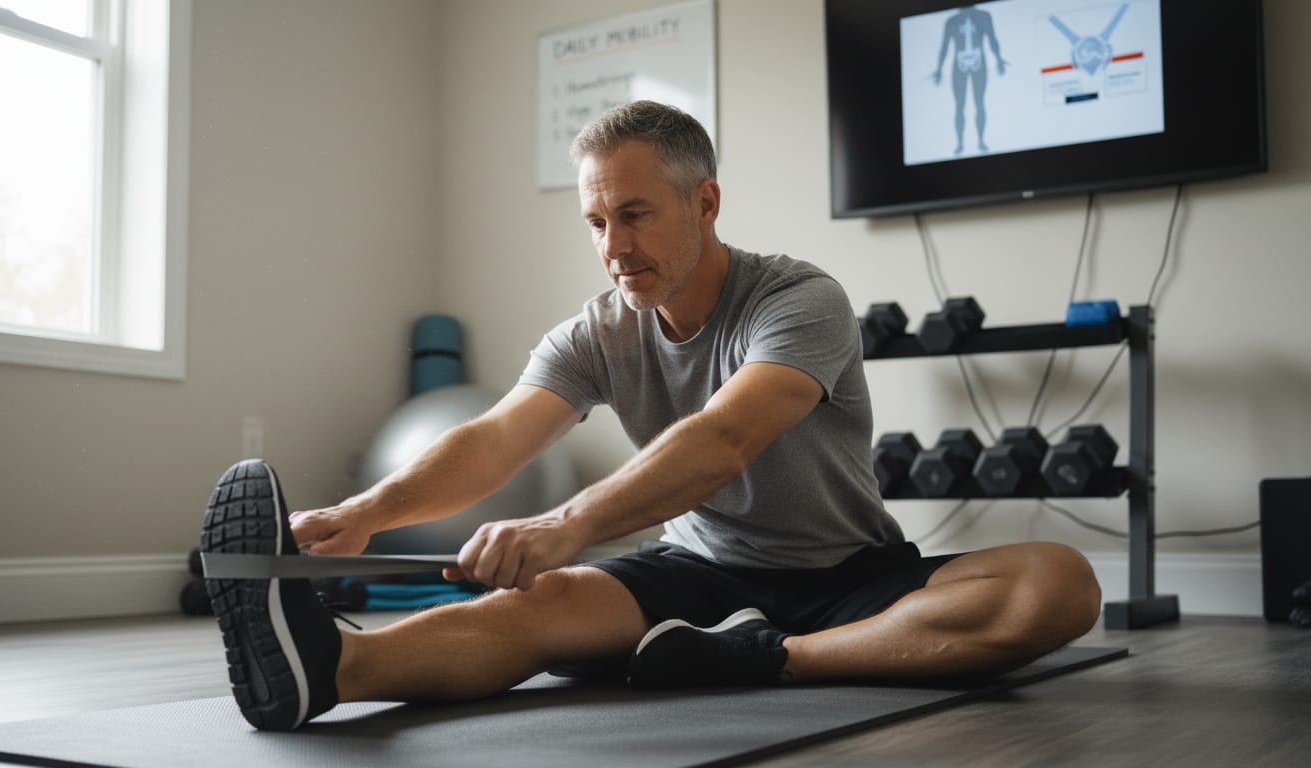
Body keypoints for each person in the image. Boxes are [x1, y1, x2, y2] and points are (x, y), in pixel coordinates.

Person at [200, 100, 1101, 732]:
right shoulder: (597, 331)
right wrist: (366, 516)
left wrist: (568, 522)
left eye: (634, 214)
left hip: (846, 575)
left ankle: (766, 658)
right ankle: (328, 671)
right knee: (538, 604)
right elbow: (493, 440)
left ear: (704, 202)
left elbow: (726, 436)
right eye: (596, 222)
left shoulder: (798, 301)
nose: (613, 248)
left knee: (1058, 583)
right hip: (696, 580)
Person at [932, 5, 1007, 155]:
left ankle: (981, 141)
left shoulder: (983, 16)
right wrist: (939, 69)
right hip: (959, 64)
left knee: (979, 102)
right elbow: (944, 47)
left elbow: (992, 39)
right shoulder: (951, 21)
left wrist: (999, 59)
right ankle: (960, 144)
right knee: (960, 106)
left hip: (979, 63)